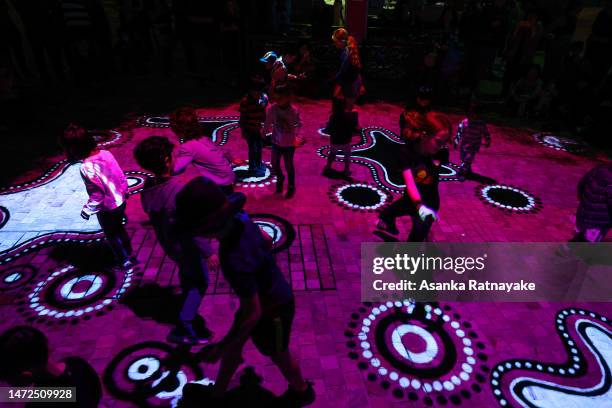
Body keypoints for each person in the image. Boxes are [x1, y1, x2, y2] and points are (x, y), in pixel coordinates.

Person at [170, 177, 314, 406]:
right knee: (236, 343)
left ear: (206, 228)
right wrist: (260, 263)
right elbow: (267, 240)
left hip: (274, 310)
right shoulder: (241, 218)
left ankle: (302, 391)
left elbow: (253, 313)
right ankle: (218, 394)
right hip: (265, 299)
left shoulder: (233, 259)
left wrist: (220, 346)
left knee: (278, 353)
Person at [134, 136, 216, 345]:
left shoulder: (149, 186)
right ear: (168, 160)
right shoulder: (178, 190)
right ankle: (184, 325)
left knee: (188, 274)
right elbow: (191, 226)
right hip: (187, 246)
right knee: (201, 282)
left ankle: (185, 299)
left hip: (170, 244)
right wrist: (209, 252)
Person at [60, 124, 134, 269]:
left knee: (111, 234)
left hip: (107, 208)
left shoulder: (87, 167)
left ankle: (123, 259)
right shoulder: (106, 154)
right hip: (121, 200)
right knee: (119, 228)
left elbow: (97, 194)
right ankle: (130, 252)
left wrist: (87, 210)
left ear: (74, 149)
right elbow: (120, 174)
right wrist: (125, 190)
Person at [376, 112, 452, 241]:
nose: (442, 146)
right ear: (424, 135)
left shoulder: (441, 153)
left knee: (414, 242)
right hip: (411, 200)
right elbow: (410, 183)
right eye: (439, 141)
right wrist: (418, 205)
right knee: (386, 214)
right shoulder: (406, 153)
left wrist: (423, 208)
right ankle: (388, 224)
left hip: (430, 204)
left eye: (444, 142)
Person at [0, 326, 102, 407]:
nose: (9, 384)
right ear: (48, 348)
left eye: (9, 379)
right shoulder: (78, 364)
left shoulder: (39, 402)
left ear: (26, 374)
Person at [169, 107, 235, 195]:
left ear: (177, 129)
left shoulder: (188, 147)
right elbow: (224, 153)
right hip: (228, 178)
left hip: (220, 185)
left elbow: (176, 170)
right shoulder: (204, 138)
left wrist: (168, 158)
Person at [263, 85, 302, 199]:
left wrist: (298, 136)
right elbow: (267, 122)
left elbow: (300, 124)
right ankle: (280, 178)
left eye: (280, 98)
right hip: (276, 142)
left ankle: (291, 186)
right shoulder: (272, 109)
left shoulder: (293, 111)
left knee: (289, 165)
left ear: (288, 97)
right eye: (276, 98)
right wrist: (263, 133)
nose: (277, 100)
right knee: (274, 164)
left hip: (289, 144)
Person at [571, 162, 612, 242]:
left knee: (581, 235)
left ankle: (566, 249)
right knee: (589, 241)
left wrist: (582, 199)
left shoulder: (601, 168)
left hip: (584, 211)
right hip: (600, 221)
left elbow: (582, 183)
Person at [239, 77, 269, 176]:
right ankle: (253, 168)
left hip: (259, 129)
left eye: (260, 91)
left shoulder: (264, 98)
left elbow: (265, 113)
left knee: (259, 147)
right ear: (250, 91)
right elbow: (242, 118)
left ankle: (259, 164)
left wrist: (265, 125)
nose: (258, 93)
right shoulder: (245, 101)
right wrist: (243, 131)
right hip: (249, 129)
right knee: (253, 149)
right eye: (255, 91)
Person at [331, 28, 363, 119]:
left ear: (341, 41)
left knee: (348, 108)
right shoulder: (350, 49)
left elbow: (343, 70)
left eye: (336, 41)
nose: (335, 44)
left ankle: (348, 127)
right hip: (354, 81)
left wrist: (335, 79)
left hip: (350, 83)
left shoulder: (346, 52)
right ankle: (350, 125)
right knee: (349, 106)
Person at [454, 102, 491, 177]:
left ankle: (462, 170)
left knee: (468, 158)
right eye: (468, 113)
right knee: (463, 158)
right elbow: (459, 133)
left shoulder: (481, 124)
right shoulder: (464, 122)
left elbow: (486, 133)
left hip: (474, 145)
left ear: (477, 114)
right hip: (464, 144)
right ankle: (468, 169)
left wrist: (488, 140)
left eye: (472, 113)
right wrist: (456, 141)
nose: (469, 115)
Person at [323, 97, 357, 179]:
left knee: (332, 153)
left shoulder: (333, 116)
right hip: (346, 140)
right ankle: (346, 170)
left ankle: (328, 167)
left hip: (335, 140)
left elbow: (329, 128)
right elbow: (353, 128)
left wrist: (327, 129)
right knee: (347, 156)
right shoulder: (349, 116)